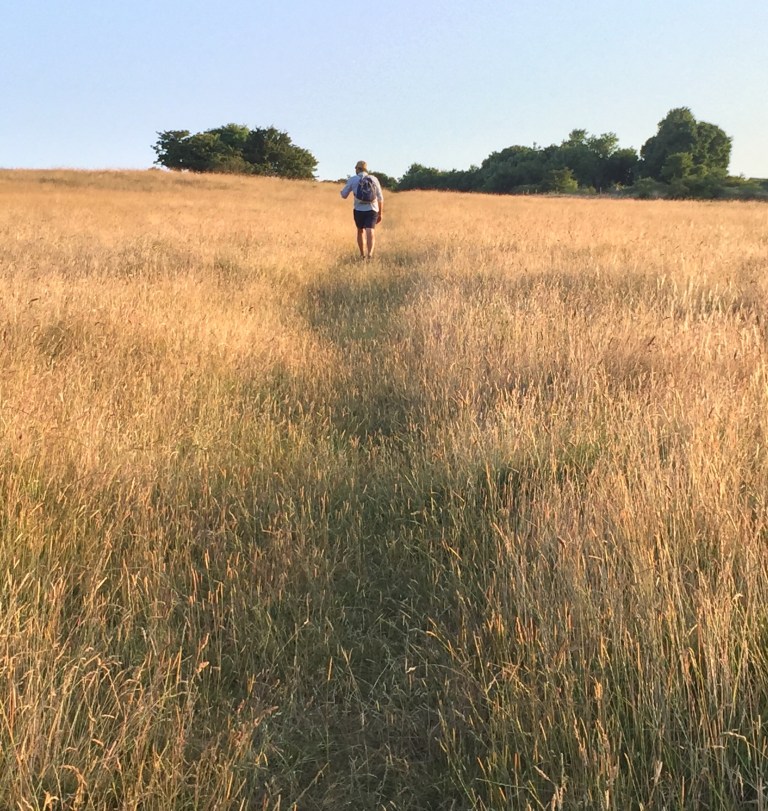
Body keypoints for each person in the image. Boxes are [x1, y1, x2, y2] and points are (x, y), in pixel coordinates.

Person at [340, 160, 384, 259]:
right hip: (373, 209)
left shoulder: (353, 179)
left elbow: (344, 195)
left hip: (359, 209)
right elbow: (380, 198)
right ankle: (370, 254)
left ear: (358, 169)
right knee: (370, 230)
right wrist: (380, 213)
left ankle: (362, 254)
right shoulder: (374, 179)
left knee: (360, 231)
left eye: (356, 168)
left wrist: (341, 192)